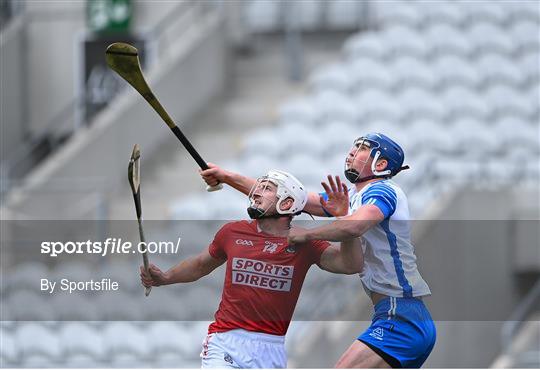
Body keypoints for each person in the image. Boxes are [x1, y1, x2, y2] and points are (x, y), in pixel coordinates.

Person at [200, 133, 436, 368]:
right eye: (354, 145)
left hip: (401, 315)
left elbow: (355, 226)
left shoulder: (381, 191)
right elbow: (284, 195)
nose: (353, 151)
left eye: (363, 148)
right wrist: (227, 176)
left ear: (381, 164)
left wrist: (308, 233)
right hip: (396, 314)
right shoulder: (353, 198)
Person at [141, 169, 364, 369]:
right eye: (258, 187)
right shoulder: (232, 232)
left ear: (286, 204)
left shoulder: (305, 241)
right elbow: (200, 265)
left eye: (267, 189)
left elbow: (350, 265)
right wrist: (166, 277)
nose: (256, 192)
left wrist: (345, 219)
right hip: (226, 339)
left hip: (272, 347)